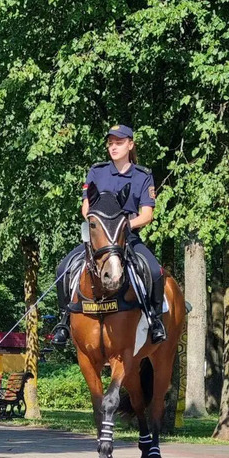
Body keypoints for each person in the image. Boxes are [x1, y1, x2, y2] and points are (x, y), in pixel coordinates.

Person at [51, 124, 167, 346]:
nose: (113, 147)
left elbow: (146, 215)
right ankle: (64, 321)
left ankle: (155, 320)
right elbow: (86, 208)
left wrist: (123, 226)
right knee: (62, 268)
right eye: (110, 143)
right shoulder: (97, 172)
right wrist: (102, 226)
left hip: (126, 237)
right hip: (100, 240)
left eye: (119, 142)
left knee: (154, 271)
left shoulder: (143, 176)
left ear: (130, 145)